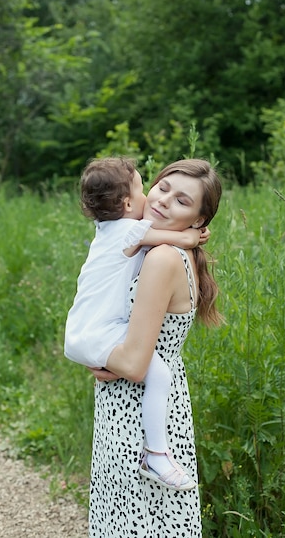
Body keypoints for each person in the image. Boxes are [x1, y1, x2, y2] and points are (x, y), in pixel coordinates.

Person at [87, 158, 222, 538]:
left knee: (137, 522)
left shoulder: (161, 258)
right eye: (163, 188)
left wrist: (104, 359)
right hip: (154, 399)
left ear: (198, 221)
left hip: (136, 411)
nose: (164, 201)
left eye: (182, 201)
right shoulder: (159, 246)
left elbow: (133, 363)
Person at [64, 157, 209, 491]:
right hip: (101, 338)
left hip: (88, 332)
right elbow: (184, 241)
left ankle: (156, 455)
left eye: (181, 200)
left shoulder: (115, 231)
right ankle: (156, 455)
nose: (157, 199)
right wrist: (193, 234)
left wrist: (118, 361)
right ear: (128, 203)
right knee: (157, 372)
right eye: (152, 188)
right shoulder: (133, 232)